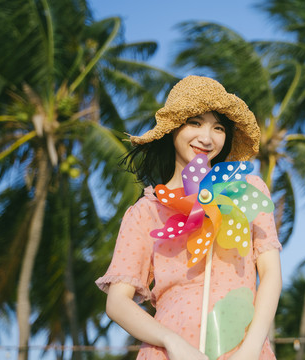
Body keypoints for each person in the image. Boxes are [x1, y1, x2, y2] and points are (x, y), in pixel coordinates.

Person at [95, 75, 282, 360]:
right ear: (172, 128)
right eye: (195, 123)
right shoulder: (146, 212)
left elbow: (270, 273)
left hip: (242, 350)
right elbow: (117, 303)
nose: (206, 138)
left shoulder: (246, 190)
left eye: (218, 128)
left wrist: (251, 348)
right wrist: (172, 342)